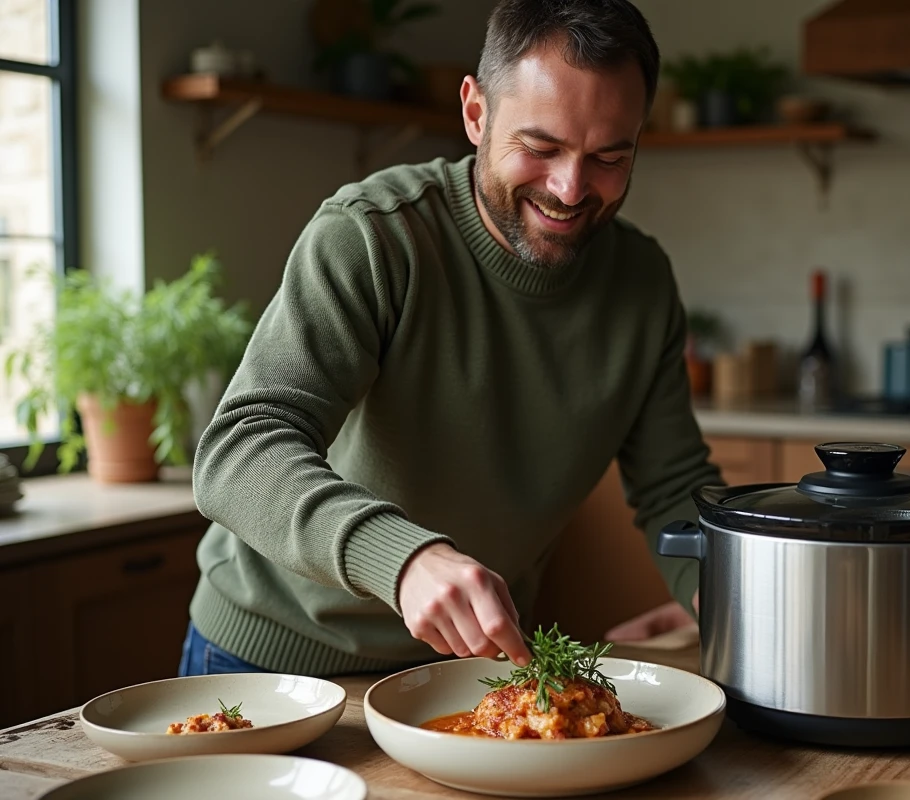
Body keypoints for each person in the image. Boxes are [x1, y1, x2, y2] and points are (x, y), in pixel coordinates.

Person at [179, 0, 721, 678]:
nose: (570, 188)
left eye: (609, 157)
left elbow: (674, 487)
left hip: (467, 668)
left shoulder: (641, 281)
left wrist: (733, 597)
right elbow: (237, 452)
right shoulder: (374, 236)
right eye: (540, 148)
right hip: (268, 659)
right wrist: (403, 559)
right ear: (475, 112)